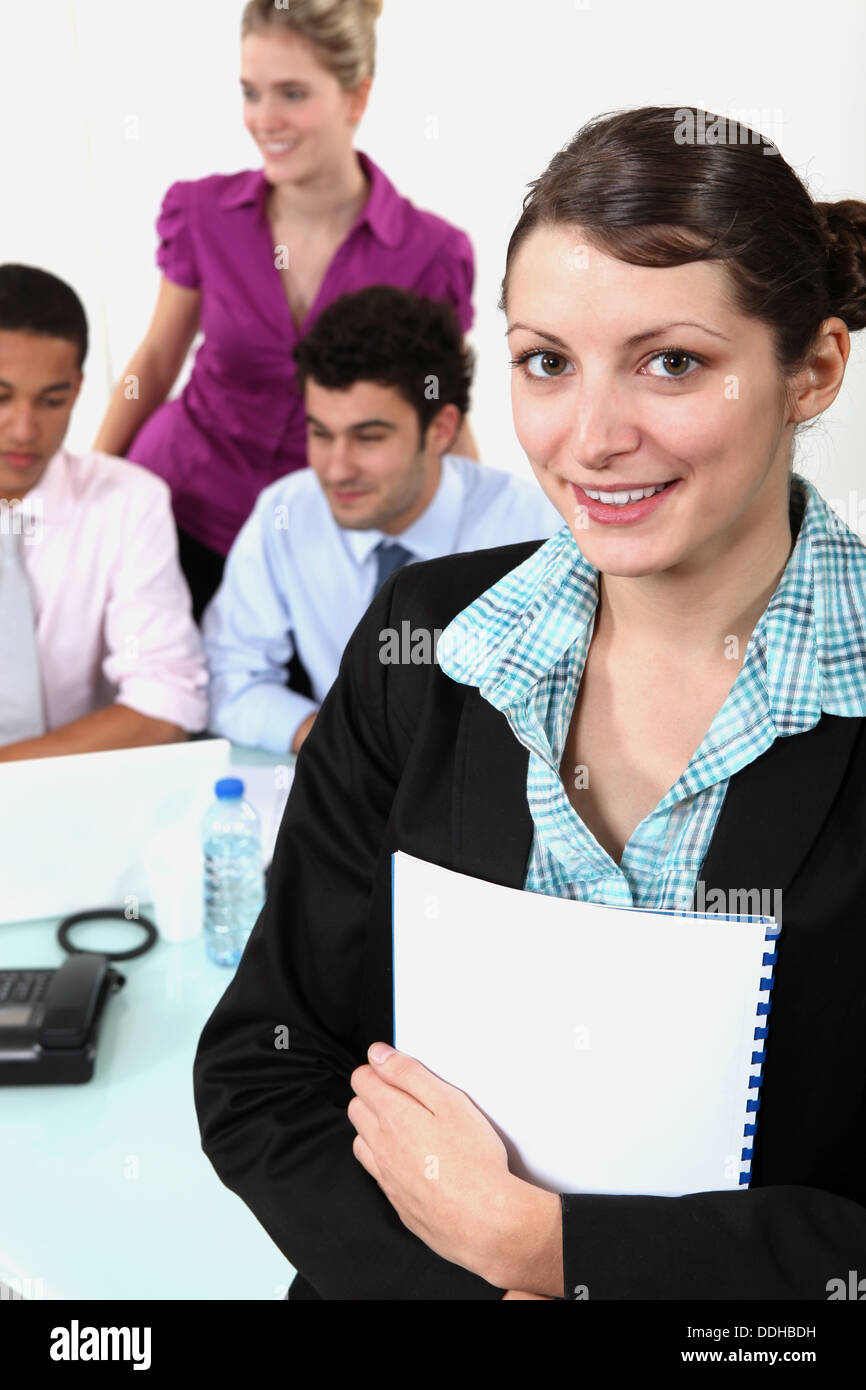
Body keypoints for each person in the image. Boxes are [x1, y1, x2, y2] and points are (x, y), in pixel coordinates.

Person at [193, 106, 866, 1299]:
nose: (591, 439)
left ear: (811, 367)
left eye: (672, 362)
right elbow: (267, 1064)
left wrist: (554, 1257)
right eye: (546, 361)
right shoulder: (422, 644)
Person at [92, 0, 478, 622]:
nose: (263, 119)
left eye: (292, 93)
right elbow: (158, 359)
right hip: (184, 509)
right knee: (169, 708)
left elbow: (441, 406)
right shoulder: (202, 212)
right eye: (251, 92)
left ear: (357, 97)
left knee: (313, 713)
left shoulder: (430, 252)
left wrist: (472, 543)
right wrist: (86, 492)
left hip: (321, 540)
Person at [201, 287, 562, 755]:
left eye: (368, 438)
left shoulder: (535, 528)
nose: (336, 469)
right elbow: (229, 678)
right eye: (320, 434)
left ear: (440, 430)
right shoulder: (285, 515)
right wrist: (338, 745)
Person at [0, 264, 208, 762]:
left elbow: (166, 702)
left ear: (77, 388)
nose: (25, 431)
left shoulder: (129, 501)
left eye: (52, 400)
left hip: (83, 789)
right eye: (1, 397)